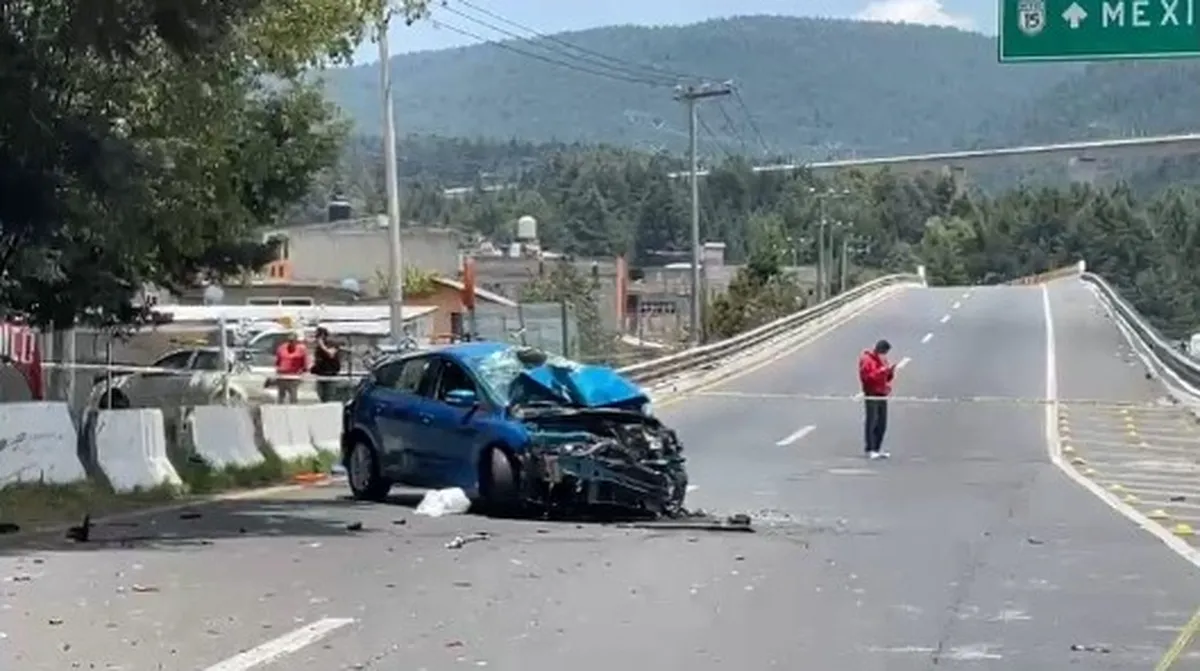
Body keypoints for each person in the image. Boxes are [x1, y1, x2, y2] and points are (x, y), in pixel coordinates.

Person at [858, 339, 896, 460]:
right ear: (879, 350)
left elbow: (887, 378)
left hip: (882, 393)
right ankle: (870, 448)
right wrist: (881, 372)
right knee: (872, 420)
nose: (885, 356)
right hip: (871, 393)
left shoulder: (883, 360)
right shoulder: (867, 360)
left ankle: (877, 448)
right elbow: (867, 378)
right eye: (884, 353)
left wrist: (890, 372)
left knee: (882, 422)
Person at [274, 330, 308, 404]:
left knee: (293, 397)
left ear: (296, 340)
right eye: (289, 340)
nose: (291, 342)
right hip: (282, 376)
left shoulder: (301, 349)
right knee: (281, 396)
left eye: (293, 340)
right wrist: (277, 372)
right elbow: (277, 362)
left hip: (294, 377)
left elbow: (305, 364)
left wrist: (301, 373)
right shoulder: (281, 348)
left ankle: (293, 410)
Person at [311, 327, 342, 402]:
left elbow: (331, 354)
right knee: (320, 395)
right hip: (321, 374)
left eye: (318, 336)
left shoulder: (332, 343)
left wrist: (322, 345)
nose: (316, 338)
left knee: (329, 396)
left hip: (330, 374)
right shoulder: (318, 347)